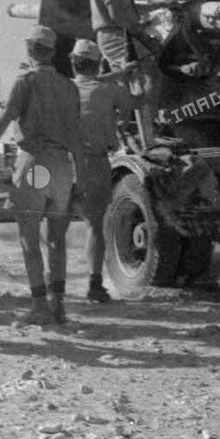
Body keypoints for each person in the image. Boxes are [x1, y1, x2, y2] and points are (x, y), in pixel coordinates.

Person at [0, 25, 83, 325]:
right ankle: (58, 305)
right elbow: (76, 134)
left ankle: (39, 306)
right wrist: (80, 174)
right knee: (57, 240)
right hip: (62, 167)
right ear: (53, 52)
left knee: (30, 240)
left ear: (30, 50)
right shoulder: (70, 87)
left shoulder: (25, 82)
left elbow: (0, 124)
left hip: (36, 165)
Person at [70, 39, 136, 303]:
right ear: (98, 64)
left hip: (59, 163)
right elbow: (131, 105)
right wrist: (124, 76)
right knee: (94, 227)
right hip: (94, 164)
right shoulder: (110, 91)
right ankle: (95, 286)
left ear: (73, 62)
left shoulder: (61, 87)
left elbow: (87, 81)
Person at [90, 0, 162, 145]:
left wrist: (161, 5)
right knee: (147, 75)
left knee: (125, 86)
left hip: (119, 33)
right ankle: (148, 131)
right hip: (115, 35)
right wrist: (143, 35)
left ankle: (120, 133)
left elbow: (129, 10)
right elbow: (117, 15)